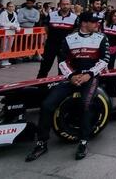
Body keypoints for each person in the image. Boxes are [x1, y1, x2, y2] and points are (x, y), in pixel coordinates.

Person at [25, 12, 109, 162]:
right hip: (71, 78)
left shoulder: (102, 38)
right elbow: (62, 61)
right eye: (93, 22)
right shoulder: (69, 39)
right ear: (84, 23)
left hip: (90, 77)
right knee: (46, 105)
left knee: (85, 104)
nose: (97, 24)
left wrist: (89, 74)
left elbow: (104, 60)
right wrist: (71, 76)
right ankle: (41, 142)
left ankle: (83, 141)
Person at [37, 0, 78, 78]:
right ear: (60, 5)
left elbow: (76, 30)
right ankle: (39, 85)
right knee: (44, 67)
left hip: (65, 46)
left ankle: (60, 86)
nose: (65, 6)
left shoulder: (74, 17)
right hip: (51, 44)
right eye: (63, 4)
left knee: (63, 69)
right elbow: (46, 27)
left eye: (67, 4)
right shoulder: (52, 15)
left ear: (70, 5)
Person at [0, 2, 21, 67]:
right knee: (3, 46)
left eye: (12, 6)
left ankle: (6, 60)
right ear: (7, 7)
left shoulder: (15, 13)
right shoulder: (3, 13)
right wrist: (10, 26)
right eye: (10, 6)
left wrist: (17, 27)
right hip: (5, 31)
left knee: (9, 46)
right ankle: (1, 60)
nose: (11, 8)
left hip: (12, 32)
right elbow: (1, 23)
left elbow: (16, 22)